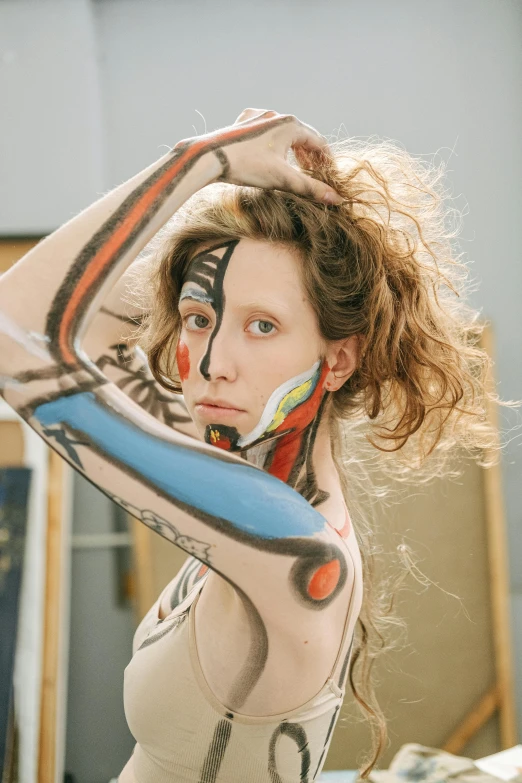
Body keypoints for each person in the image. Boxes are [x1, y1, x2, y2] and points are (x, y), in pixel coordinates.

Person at [0, 109, 501, 781]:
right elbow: (84, 329)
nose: (212, 363)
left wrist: (198, 164)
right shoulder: (244, 474)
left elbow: (11, 334)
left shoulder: (289, 547)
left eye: (262, 326)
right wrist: (225, 203)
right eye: (200, 320)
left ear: (339, 358)